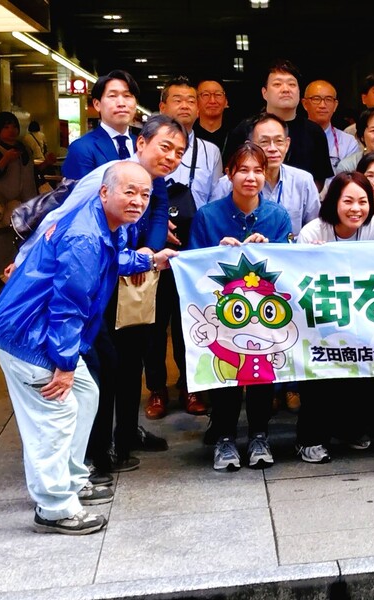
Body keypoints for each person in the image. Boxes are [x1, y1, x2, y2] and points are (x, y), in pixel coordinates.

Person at [0, 161, 172, 534]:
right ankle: (55, 506)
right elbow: (68, 303)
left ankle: (73, 478)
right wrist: (63, 363)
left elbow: (111, 261)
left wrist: (149, 259)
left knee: (86, 393)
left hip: (40, 328)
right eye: (129, 191)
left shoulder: (104, 223)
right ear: (104, 192)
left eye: (145, 194)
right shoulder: (86, 236)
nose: (138, 201)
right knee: (54, 418)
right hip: (31, 335)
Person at [189, 142, 293, 471]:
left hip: (263, 315)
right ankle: (224, 438)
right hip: (221, 314)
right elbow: (192, 265)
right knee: (226, 373)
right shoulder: (208, 215)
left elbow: (290, 266)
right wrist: (215, 253)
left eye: (258, 171)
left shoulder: (277, 215)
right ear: (229, 173)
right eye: (243, 170)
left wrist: (271, 247)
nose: (251, 177)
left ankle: (260, 435)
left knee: (262, 373)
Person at [144, 76, 224, 420]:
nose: (186, 105)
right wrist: (157, 228)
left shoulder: (211, 151)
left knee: (189, 319)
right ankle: (157, 389)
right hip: (154, 245)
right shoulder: (151, 150)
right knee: (153, 321)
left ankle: (192, 387)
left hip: (195, 247)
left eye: (192, 100)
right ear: (162, 107)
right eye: (178, 99)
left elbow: (217, 196)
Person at [294, 172, 374, 462]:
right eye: (348, 201)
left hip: (360, 311)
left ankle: (350, 430)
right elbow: (298, 276)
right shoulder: (312, 232)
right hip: (319, 315)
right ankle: (309, 438)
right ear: (334, 201)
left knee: (360, 370)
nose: (356, 208)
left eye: (363, 201)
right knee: (321, 373)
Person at [222, 60, 334, 188]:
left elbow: (319, 180)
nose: (286, 89)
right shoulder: (244, 130)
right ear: (264, 93)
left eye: (292, 84)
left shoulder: (315, 132)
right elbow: (229, 174)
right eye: (277, 84)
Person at [212, 113, 320, 238]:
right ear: (249, 145)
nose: (273, 148)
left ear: (287, 144)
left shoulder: (303, 181)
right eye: (264, 142)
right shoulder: (228, 183)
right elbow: (213, 224)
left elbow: (315, 230)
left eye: (279, 141)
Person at [61, 70, 140, 180]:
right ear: (97, 104)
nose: (121, 103)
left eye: (127, 96)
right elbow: (79, 195)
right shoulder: (81, 148)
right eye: (112, 96)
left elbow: (159, 194)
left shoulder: (143, 146)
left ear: (135, 104)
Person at [0, 112, 39, 293]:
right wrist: (5, 159)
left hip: (26, 208)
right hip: (1, 211)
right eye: (6, 127)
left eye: (14, 126)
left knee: (21, 245)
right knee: (3, 246)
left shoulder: (24, 149)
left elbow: (32, 176)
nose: (11, 130)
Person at [302, 80, 360, 174]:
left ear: (335, 105)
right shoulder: (292, 137)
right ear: (305, 104)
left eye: (328, 99)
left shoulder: (348, 142)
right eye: (316, 99)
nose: (322, 105)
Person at [193, 79, 230, 153]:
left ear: (226, 102)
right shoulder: (188, 135)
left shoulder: (236, 135)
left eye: (218, 95)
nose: (212, 101)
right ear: (196, 102)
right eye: (206, 95)